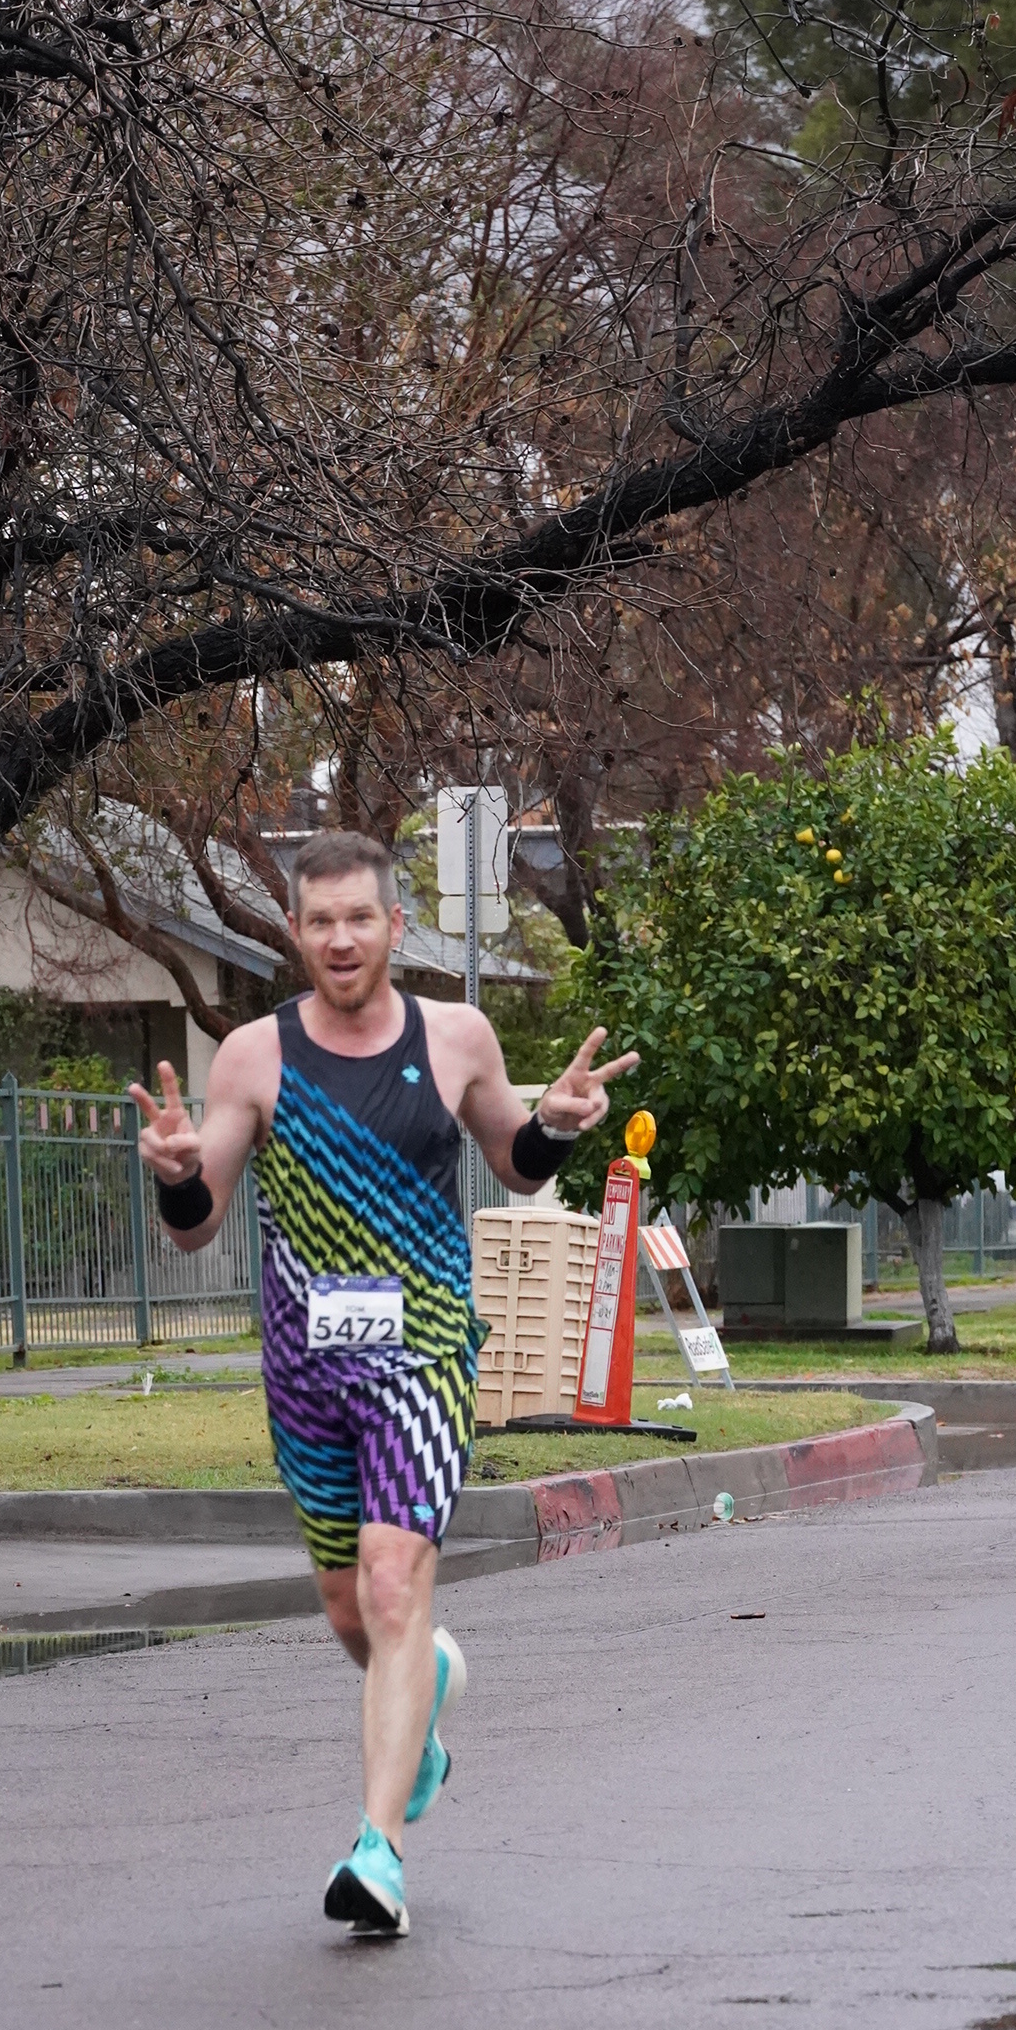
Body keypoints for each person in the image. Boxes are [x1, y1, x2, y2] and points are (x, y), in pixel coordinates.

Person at [132, 829, 634, 1938]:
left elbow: (511, 1160)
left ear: (394, 925)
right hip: (305, 1369)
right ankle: (422, 1717)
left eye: (360, 917)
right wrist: (175, 1176)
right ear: (295, 932)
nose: (342, 938)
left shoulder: (453, 1035)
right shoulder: (252, 1058)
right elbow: (198, 1222)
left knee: (394, 1581)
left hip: (424, 1351)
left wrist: (553, 1126)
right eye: (320, 921)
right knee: (350, 1608)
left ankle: (378, 1852)